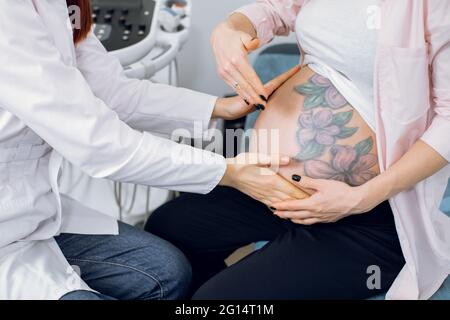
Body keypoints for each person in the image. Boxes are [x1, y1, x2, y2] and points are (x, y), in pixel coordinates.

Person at [147, 0, 450, 299]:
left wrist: (359, 199)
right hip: (271, 190)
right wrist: (230, 29)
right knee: (169, 228)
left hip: (367, 213)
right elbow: (277, 8)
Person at [0, 0, 302, 300]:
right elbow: (100, 143)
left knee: (168, 273)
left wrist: (222, 108)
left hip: (33, 212)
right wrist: (228, 172)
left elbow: (111, 92)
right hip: (8, 228)